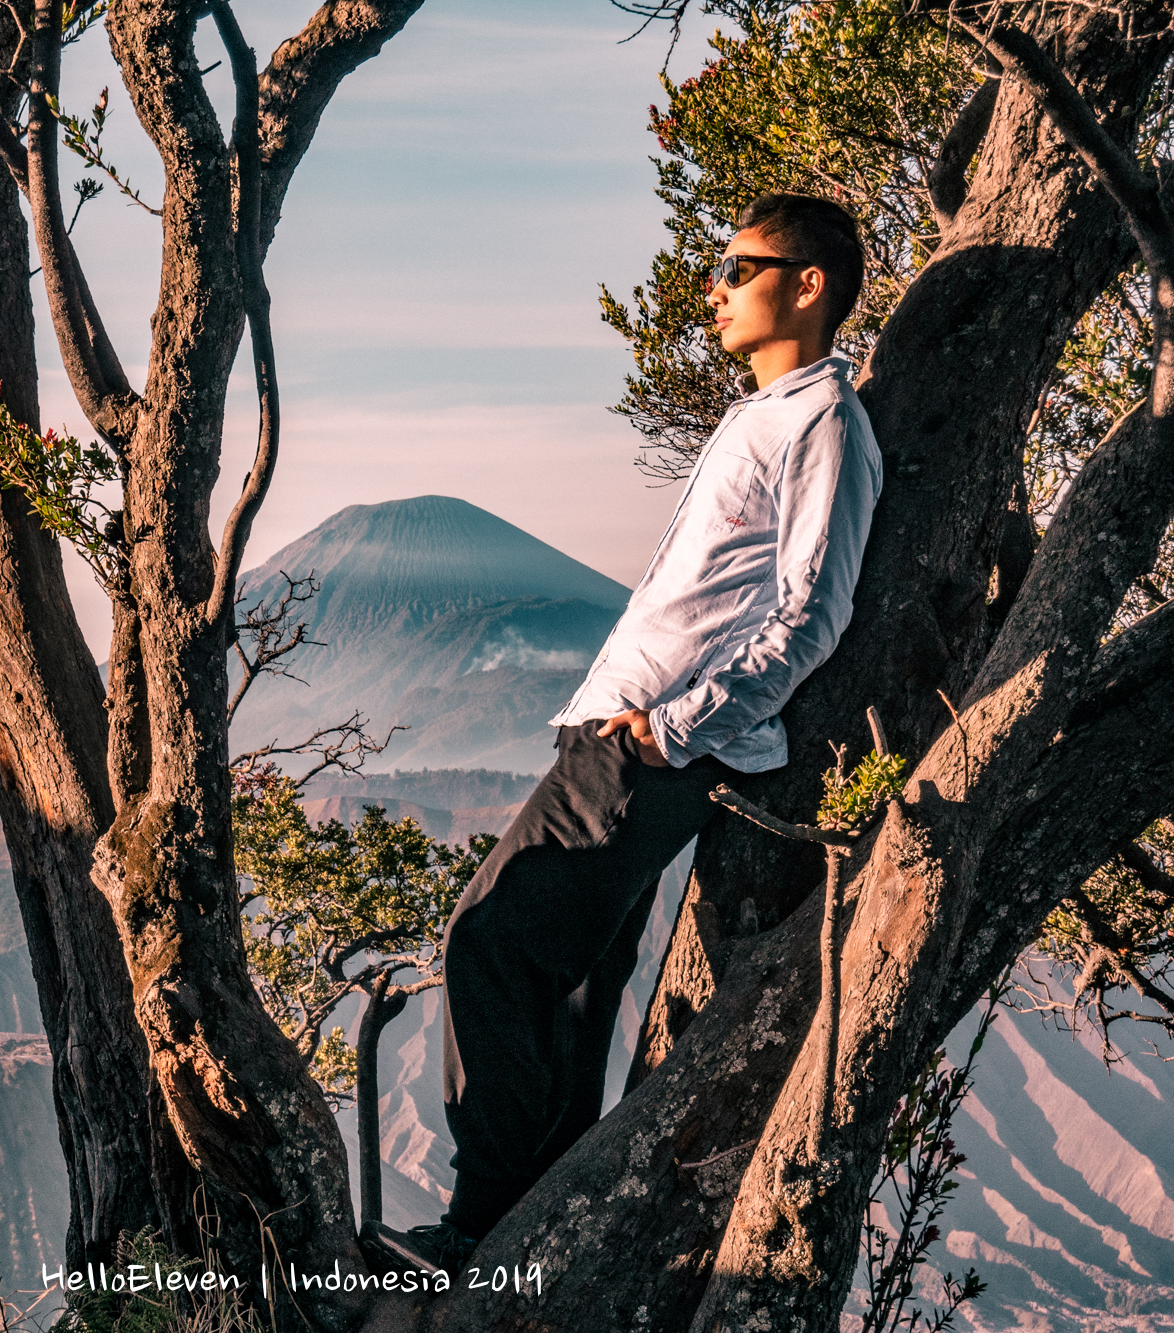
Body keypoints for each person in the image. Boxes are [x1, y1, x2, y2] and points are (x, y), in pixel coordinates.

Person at [381, 192, 883, 1275]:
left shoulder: (821, 424)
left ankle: (476, 1227)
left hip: (651, 746)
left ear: (806, 283)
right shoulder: (764, 416)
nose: (712, 287)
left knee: (491, 939)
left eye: (735, 266)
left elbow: (812, 611)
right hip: (629, 735)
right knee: (567, 991)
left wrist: (670, 729)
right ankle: (515, 1241)